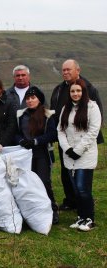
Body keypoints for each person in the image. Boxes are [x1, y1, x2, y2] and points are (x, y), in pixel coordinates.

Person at [50, 59, 104, 211]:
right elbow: (56, 112)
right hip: (65, 140)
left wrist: (83, 145)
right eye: (64, 70)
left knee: (83, 174)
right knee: (66, 171)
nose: (65, 72)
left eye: (69, 70)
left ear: (78, 70)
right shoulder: (59, 89)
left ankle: (84, 202)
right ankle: (70, 200)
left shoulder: (89, 88)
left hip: (83, 141)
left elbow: (97, 118)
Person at [57, 79, 101, 231]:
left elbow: (93, 131)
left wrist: (78, 150)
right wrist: (67, 149)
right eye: (72, 91)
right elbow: (60, 130)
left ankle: (89, 219)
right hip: (69, 154)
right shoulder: (66, 108)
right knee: (76, 188)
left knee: (83, 188)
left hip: (85, 154)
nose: (75, 94)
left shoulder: (92, 107)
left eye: (78, 91)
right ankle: (81, 217)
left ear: (83, 92)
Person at [16, 87, 59, 224]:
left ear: (39, 99)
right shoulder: (21, 115)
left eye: (33, 98)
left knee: (44, 182)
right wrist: (21, 141)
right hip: (25, 155)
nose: (30, 100)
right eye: (27, 98)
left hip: (42, 153)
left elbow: (53, 134)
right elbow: (15, 133)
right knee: (28, 184)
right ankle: (33, 211)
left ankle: (52, 210)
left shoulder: (48, 115)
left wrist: (36, 141)